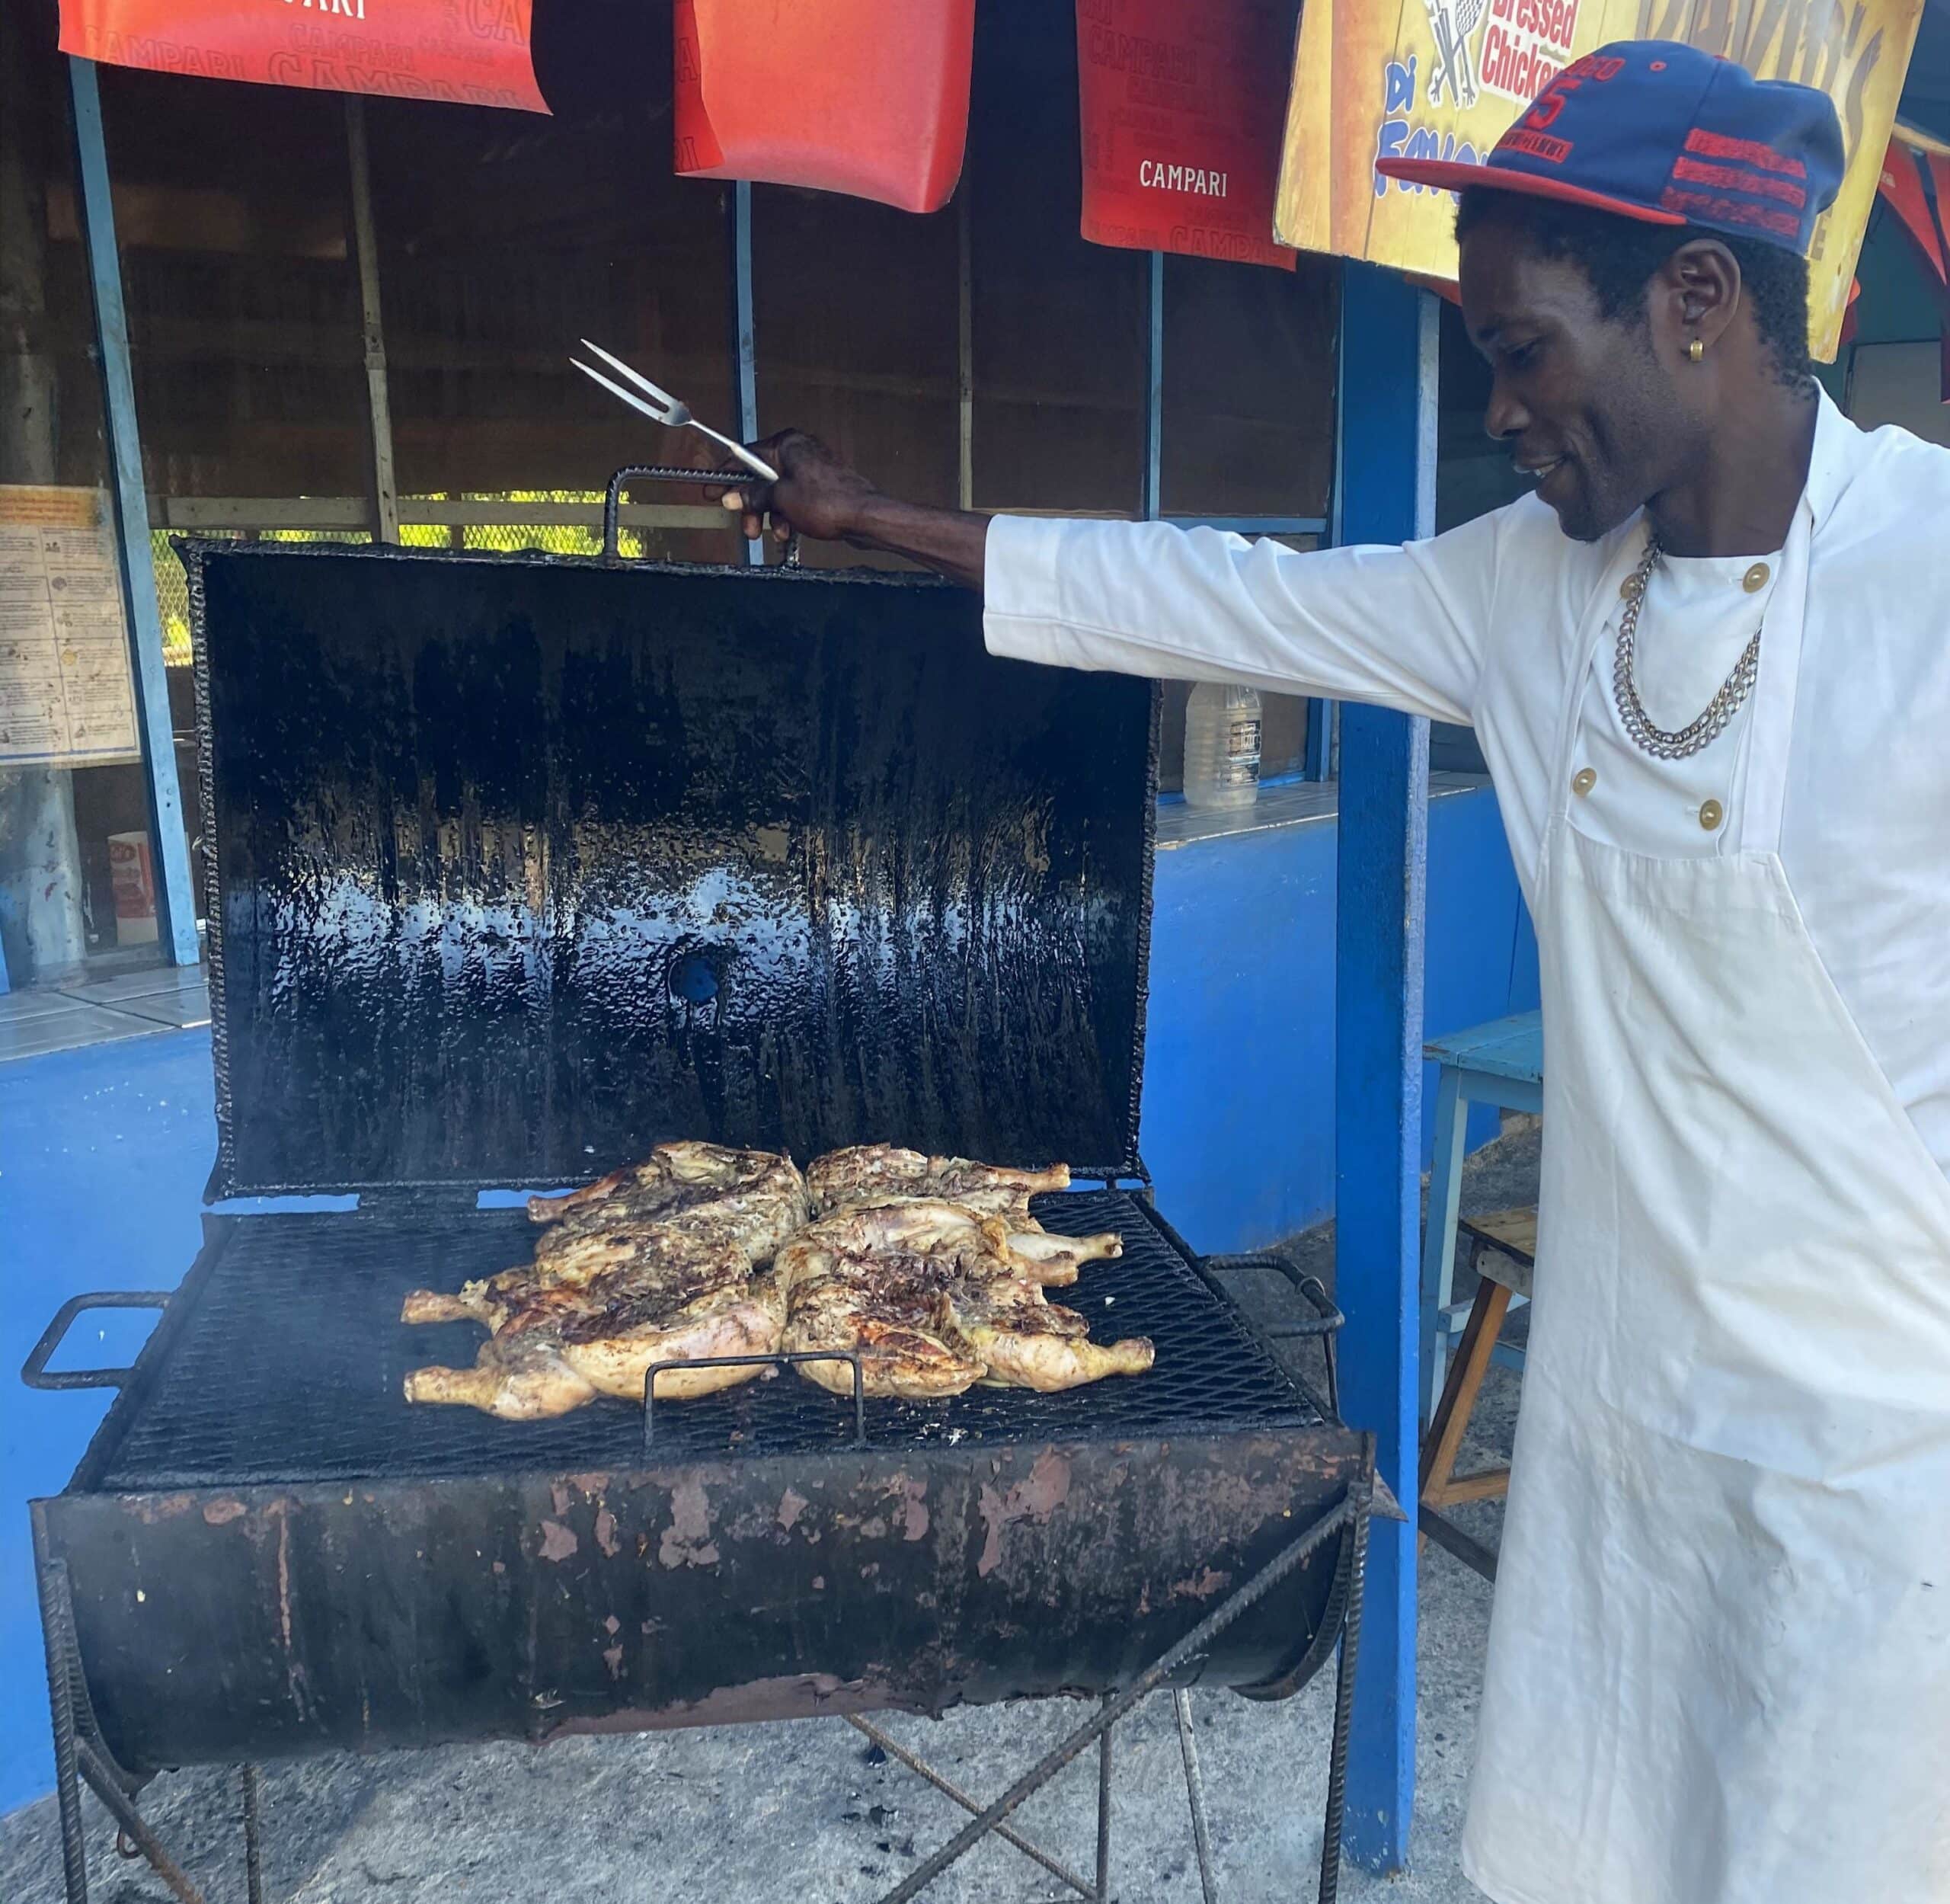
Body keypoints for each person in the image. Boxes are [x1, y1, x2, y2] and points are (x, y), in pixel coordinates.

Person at [711, 40, 1950, 1904]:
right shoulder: (1530, 587)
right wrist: (877, 516)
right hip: (1616, 1410)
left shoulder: (1928, 575)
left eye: (1521, 348)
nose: (1503, 412)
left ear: (1695, 301)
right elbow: (1223, 595)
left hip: (1875, 1449)